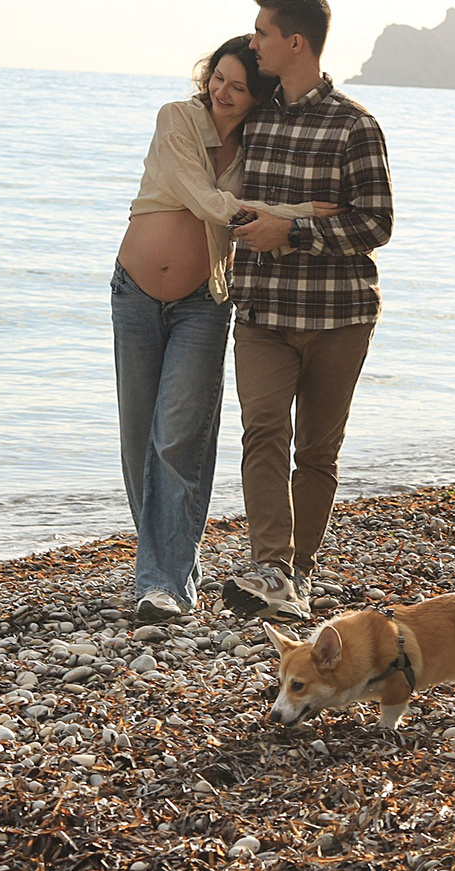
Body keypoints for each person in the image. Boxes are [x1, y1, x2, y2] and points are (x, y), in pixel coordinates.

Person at [111, 37, 328, 624]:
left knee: (180, 438)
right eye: (218, 78)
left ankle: (164, 583)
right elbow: (205, 199)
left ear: (256, 96)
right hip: (133, 294)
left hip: (203, 301)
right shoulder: (177, 119)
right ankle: (164, 565)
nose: (221, 92)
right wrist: (286, 216)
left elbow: (263, 198)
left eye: (237, 86)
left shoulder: (254, 144)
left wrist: (295, 214)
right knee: (139, 439)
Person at [220, 0, 396, 622]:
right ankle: (269, 565)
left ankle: (298, 573)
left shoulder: (355, 125)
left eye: (263, 32)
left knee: (317, 451)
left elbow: (375, 224)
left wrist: (291, 231)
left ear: (296, 43)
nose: (254, 41)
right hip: (263, 312)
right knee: (262, 430)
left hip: (337, 317)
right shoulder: (254, 118)